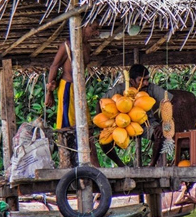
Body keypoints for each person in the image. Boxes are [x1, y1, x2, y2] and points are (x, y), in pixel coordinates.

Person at [44, 23, 100, 166]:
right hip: (67, 88)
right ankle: (67, 164)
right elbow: (54, 66)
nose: (95, 33)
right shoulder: (67, 45)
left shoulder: (87, 47)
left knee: (85, 126)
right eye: (93, 28)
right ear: (83, 26)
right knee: (67, 128)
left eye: (97, 29)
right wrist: (49, 93)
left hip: (79, 89)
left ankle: (90, 164)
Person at [101, 64, 172, 167]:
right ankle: (121, 165)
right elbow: (101, 103)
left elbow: (169, 102)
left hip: (146, 123)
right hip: (121, 123)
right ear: (131, 81)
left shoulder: (151, 88)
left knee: (160, 135)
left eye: (147, 80)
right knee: (103, 141)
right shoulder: (119, 89)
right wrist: (103, 125)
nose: (145, 83)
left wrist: (163, 124)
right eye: (141, 80)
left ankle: (151, 166)